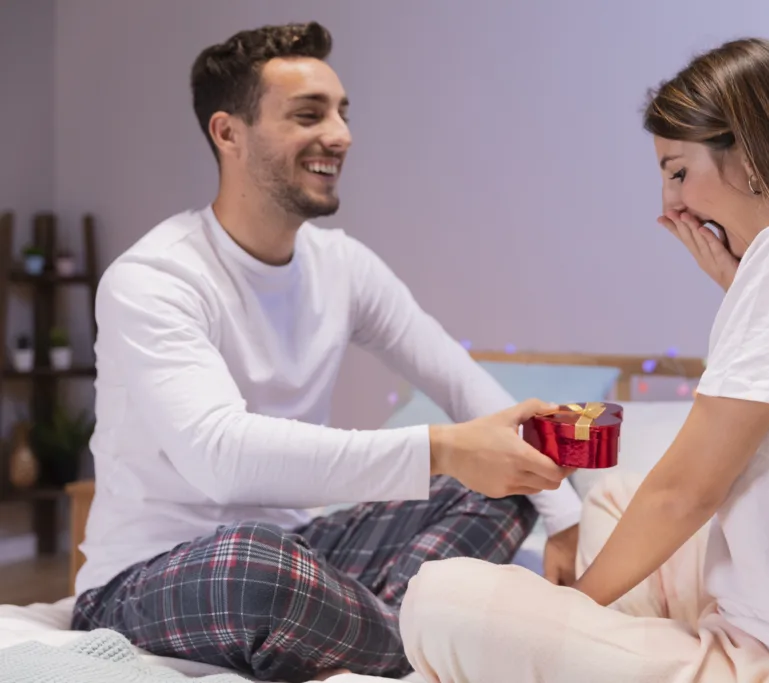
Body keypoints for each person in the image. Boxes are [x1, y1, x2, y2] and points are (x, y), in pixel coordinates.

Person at [399, 37, 769, 683]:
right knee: (613, 495)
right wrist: (740, 285)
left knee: (439, 598)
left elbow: (687, 492)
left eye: (676, 170)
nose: (670, 204)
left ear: (747, 153)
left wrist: (561, 613)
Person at [69, 21, 583, 682]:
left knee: (503, 488)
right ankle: (415, 637)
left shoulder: (343, 267)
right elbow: (220, 458)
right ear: (228, 133)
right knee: (253, 566)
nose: (340, 135)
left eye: (342, 113)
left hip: (305, 548)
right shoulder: (155, 278)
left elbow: (457, 380)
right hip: (152, 577)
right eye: (310, 114)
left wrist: (561, 512)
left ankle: (355, 628)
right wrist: (443, 448)